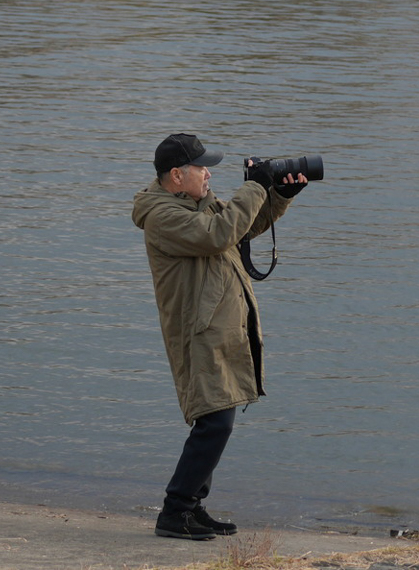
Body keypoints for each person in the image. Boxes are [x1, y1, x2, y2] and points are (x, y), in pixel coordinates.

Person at [132, 131, 308, 541]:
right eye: (201, 167)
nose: (208, 173)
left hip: (219, 327)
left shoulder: (197, 203)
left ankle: (192, 506)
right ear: (177, 175)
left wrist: (278, 194)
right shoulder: (163, 216)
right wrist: (254, 185)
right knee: (215, 422)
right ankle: (175, 511)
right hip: (198, 331)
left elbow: (242, 227)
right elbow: (218, 234)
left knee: (218, 417)